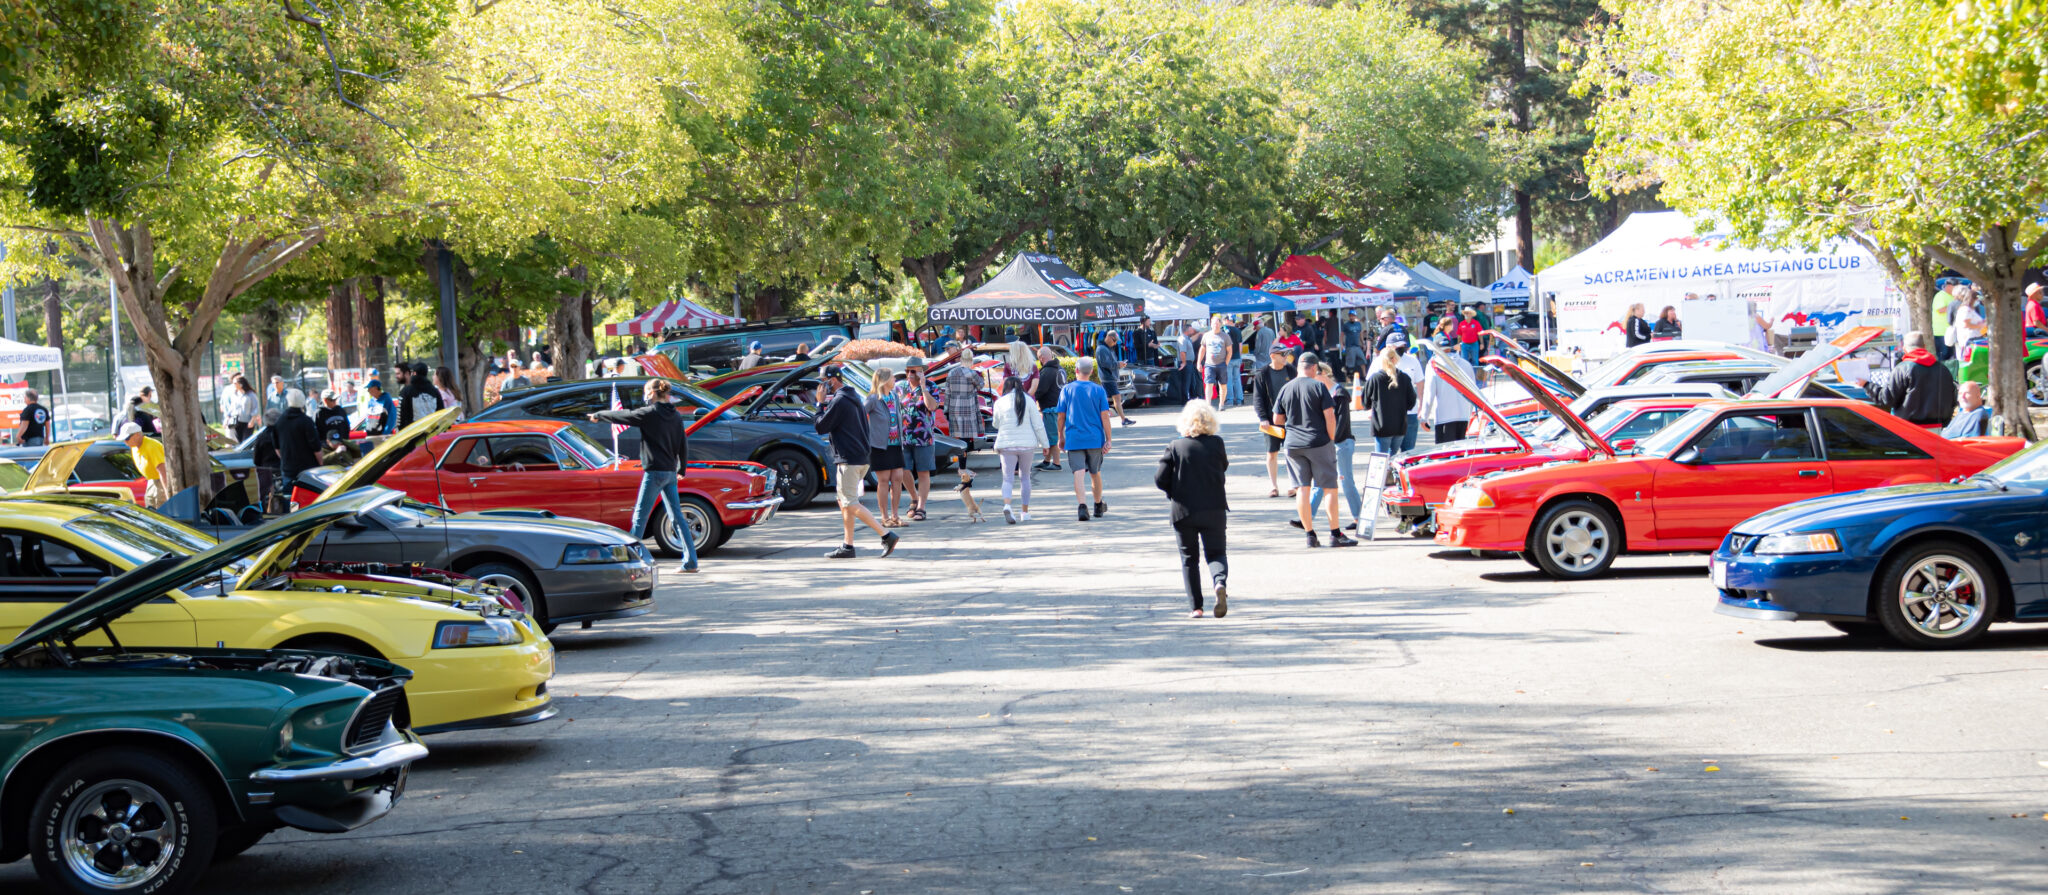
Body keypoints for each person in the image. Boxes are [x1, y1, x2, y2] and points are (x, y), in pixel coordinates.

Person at [590, 378, 699, 572]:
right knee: (676, 518)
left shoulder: (649, 414)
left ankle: (630, 562)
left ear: (652, 393)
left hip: (655, 472)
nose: (644, 396)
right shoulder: (675, 415)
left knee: (640, 517)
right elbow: (683, 442)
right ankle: (691, 562)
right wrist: (682, 469)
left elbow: (623, 416)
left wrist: (598, 414)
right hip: (669, 472)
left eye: (646, 392)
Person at [811, 364, 899, 558]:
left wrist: (819, 404)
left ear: (832, 381)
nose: (821, 387)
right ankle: (848, 546)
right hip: (859, 457)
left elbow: (821, 426)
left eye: (823, 382)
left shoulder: (840, 400)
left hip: (849, 460)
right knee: (844, 502)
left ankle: (886, 535)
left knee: (849, 503)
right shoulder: (853, 397)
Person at [1271, 352, 1355, 548]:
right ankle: (1335, 534)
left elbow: (1277, 420)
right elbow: (1330, 416)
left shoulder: (1286, 388)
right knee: (1329, 488)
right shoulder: (1318, 386)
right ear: (1314, 368)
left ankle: (1310, 535)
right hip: (1318, 442)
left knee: (1302, 489)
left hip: (1293, 444)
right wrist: (1331, 438)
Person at [1155, 400, 1230, 618]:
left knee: (1189, 559)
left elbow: (1160, 478)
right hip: (1214, 508)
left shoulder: (1175, 446)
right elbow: (1223, 467)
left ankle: (1196, 607)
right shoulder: (1217, 443)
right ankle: (1219, 583)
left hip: (1183, 510)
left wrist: (1173, 491)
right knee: (1216, 553)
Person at [1307, 363, 1363, 536]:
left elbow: (1341, 425)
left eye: (1315, 374)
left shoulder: (1339, 394)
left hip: (1342, 444)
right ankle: (1307, 517)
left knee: (1346, 481)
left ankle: (1359, 517)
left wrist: (1329, 441)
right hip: (1328, 444)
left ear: (1323, 374)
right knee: (1319, 482)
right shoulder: (1321, 393)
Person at [1057, 357, 1114, 522]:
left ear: (1076, 370)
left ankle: (1082, 506)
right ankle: (1097, 505)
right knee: (1095, 473)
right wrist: (1108, 439)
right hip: (1095, 438)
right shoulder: (1098, 390)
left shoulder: (1067, 390)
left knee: (1079, 473)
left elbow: (1061, 416)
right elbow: (1105, 416)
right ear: (1091, 372)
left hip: (1074, 439)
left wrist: (1061, 436)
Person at [1865, 331, 1958, 425]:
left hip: (1909, 428)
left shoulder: (1902, 369)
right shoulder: (1943, 370)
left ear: (1904, 349)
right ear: (1924, 347)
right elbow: (1952, 400)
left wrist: (1866, 385)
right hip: (1939, 427)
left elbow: (1887, 399)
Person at [992, 373, 1048, 523]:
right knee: (1025, 478)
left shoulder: (999, 402)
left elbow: (995, 424)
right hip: (1027, 445)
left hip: (1006, 445)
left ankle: (1007, 505)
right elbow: (1038, 424)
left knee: (1007, 478)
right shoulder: (1028, 401)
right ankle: (1024, 512)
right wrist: (1045, 444)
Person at [253, 390, 321, 511]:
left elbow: (277, 448)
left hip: (288, 468)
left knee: (289, 499)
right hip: (308, 468)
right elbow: (316, 447)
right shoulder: (306, 421)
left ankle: (291, 518)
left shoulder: (280, 422)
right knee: (309, 499)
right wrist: (320, 463)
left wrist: (285, 459)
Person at [896, 357, 942, 521]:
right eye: (907, 371)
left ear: (922, 371)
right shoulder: (900, 387)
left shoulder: (931, 386)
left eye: (913, 371)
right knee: (902, 470)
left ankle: (921, 507)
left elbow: (932, 406)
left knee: (923, 472)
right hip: (904, 436)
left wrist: (923, 388)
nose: (909, 374)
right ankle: (914, 497)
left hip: (923, 437)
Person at [1251, 344, 1296, 498]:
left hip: (1291, 419)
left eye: (1287, 353)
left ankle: (1293, 485)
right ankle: (1273, 486)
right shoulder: (1262, 374)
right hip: (1271, 420)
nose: (1286, 357)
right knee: (1272, 453)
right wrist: (1263, 418)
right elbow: (1258, 399)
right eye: (1282, 354)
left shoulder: (1291, 370)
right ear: (1273, 356)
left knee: (1291, 452)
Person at [864, 369, 907, 527]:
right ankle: (884, 517)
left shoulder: (894, 396)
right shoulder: (873, 398)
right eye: (892, 377)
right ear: (884, 380)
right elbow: (861, 414)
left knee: (897, 479)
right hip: (880, 446)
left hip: (896, 444)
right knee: (883, 481)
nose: (895, 379)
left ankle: (895, 515)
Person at [1360, 346, 1416, 455]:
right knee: (1393, 457)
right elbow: (1411, 402)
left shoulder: (1375, 379)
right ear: (1396, 359)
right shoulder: (1404, 378)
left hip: (1382, 426)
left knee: (1381, 459)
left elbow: (1365, 402)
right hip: (1399, 425)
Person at [1418, 351, 1476, 443]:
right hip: (1463, 416)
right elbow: (1473, 393)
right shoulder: (1466, 364)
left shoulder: (1434, 365)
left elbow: (1429, 393)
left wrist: (1424, 417)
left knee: (1445, 453)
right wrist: (1469, 414)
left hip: (1444, 418)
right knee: (1459, 453)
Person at [1030, 347, 1064, 471]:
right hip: (1059, 407)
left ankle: (1056, 463)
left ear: (1041, 358)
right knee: (1050, 435)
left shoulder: (1047, 371)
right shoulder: (1060, 369)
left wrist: (1031, 398)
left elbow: (1040, 390)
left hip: (1050, 408)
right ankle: (1046, 460)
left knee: (1052, 437)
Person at [119, 422, 169, 507]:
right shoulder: (134, 447)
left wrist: (168, 494)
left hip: (160, 483)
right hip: (151, 481)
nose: (125, 442)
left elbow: (162, 471)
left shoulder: (152, 446)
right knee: (150, 510)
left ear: (137, 434)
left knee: (162, 513)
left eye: (127, 438)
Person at [1093, 332, 1135, 426]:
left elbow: (1110, 362)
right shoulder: (1102, 349)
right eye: (1114, 340)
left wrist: (1118, 364)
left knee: (1109, 399)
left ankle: (1121, 419)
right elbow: (1105, 364)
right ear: (1109, 337)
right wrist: (1118, 364)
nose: (1115, 343)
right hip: (1107, 377)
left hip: (1109, 377)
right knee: (1114, 398)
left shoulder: (1106, 348)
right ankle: (1122, 419)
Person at [1396, 345, 1426, 452]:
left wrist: (1421, 406)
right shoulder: (1380, 361)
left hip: (1410, 413)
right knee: (1388, 454)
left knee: (1408, 451)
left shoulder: (1413, 361)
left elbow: (1420, 382)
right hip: (1389, 415)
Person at [1198, 314, 1233, 404]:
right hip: (1209, 364)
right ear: (1211, 324)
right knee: (1209, 384)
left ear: (1220, 324)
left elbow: (1229, 351)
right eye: (1214, 323)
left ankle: (1221, 404)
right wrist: (1199, 362)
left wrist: (1226, 363)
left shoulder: (1225, 336)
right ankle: (1208, 404)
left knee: (1223, 385)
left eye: (1217, 323)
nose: (1215, 325)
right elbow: (1202, 349)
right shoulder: (1206, 335)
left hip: (1222, 364)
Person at [396, 362, 443, 430]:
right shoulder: (435, 391)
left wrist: (400, 431)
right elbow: (441, 412)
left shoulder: (406, 391)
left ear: (414, 373)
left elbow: (400, 417)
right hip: (431, 432)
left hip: (412, 433)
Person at [1947, 287, 1986, 356]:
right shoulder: (1965, 309)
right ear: (1972, 300)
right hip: (1969, 339)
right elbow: (1966, 324)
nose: (1977, 302)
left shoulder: (1970, 309)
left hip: (1973, 337)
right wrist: (1980, 325)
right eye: (1976, 300)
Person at [223, 375, 258, 442]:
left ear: (241, 384)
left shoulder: (251, 394)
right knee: (239, 441)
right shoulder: (234, 394)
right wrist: (227, 418)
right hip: (236, 422)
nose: (233, 385)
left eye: (235, 383)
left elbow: (255, 408)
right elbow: (232, 408)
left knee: (246, 441)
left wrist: (252, 420)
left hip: (248, 422)